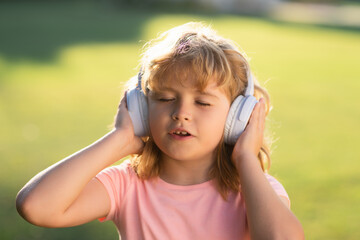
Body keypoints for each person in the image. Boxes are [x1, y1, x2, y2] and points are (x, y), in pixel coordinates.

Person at [16, 22, 304, 239]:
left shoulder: (254, 191)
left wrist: (246, 160)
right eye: (165, 99)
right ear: (142, 107)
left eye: (202, 102)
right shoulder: (126, 185)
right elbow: (36, 207)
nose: (181, 113)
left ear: (237, 117)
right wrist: (120, 140)